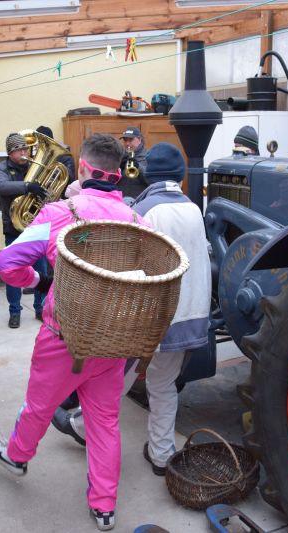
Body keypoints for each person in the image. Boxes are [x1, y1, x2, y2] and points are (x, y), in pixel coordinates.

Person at [0, 134, 147, 531]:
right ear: (117, 173)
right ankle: (104, 508)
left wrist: (36, 281)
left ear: (83, 169)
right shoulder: (137, 221)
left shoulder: (59, 212)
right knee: (104, 421)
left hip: (64, 337)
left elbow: (7, 263)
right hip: (113, 340)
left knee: (39, 406)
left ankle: (17, 457)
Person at [51, 143, 211, 479]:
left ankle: (81, 427)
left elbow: (130, 266)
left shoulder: (145, 210)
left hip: (152, 318)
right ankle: (161, 455)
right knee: (163, 385)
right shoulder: (193, 207)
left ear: (149, 174)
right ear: (180, 176)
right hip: (190, 314)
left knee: (114, 380)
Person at [0, 132, 49, 329]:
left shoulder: (35, 166)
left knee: (41, 271)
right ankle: (15, 312)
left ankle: (40, 308)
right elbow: (1, 186)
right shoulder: (1, 168)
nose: (24, 153)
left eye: (25, 148)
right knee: (12, 271)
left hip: (36, 227)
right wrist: (27, 186)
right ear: (10, 153)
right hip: (13, 228)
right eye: (19, 150)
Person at [117, 126, 149, 201]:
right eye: (125, 140)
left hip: (140, 200)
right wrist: (118, 167)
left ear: (139, 140)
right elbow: (110, 180)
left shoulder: (148, 156)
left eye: (131, 140)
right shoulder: (119, 156)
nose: (127, 143)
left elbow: (151, 180)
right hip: (121, 200)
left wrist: (138, 167)